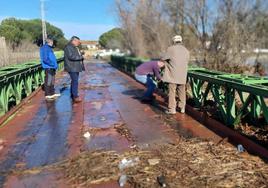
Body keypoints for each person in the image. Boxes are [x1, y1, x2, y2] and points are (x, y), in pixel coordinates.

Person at [162, 35, 190, 114]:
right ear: (181, 41)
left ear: (174, 41)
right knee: (182, 92)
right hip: (183, 75)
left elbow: (164, 58)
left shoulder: (171, 49)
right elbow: (187, 61)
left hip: (173, 75)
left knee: (172, 92)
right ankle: (182, 108)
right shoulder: (186, 50)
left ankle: (172, 110)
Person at [64, 36, 85, 103]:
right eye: (78, 42)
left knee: (74, 81)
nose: (78, 43)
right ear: (74, 41)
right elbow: (71, 56)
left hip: (74, 67)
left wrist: (80, 54)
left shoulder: (73, 47)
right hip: (72, 67)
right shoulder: (69, 47)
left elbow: (73, 55)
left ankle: (72, 95)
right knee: (75, 81)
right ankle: (75, 96)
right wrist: (80, 57)